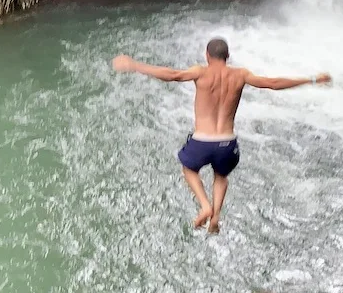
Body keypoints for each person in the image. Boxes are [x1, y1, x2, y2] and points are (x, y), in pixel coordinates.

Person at [112, 37, 330, 234]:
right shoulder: (241, 75)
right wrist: (311, 79)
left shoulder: (200, 72)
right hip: (227, 143)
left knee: (189, 169)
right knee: (221, 177)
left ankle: (205, 205)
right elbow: (272, 84)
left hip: (202, 141)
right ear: (228, 56)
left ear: (207, 55)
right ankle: (216, 216)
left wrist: (134, 65)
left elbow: (173, 75)